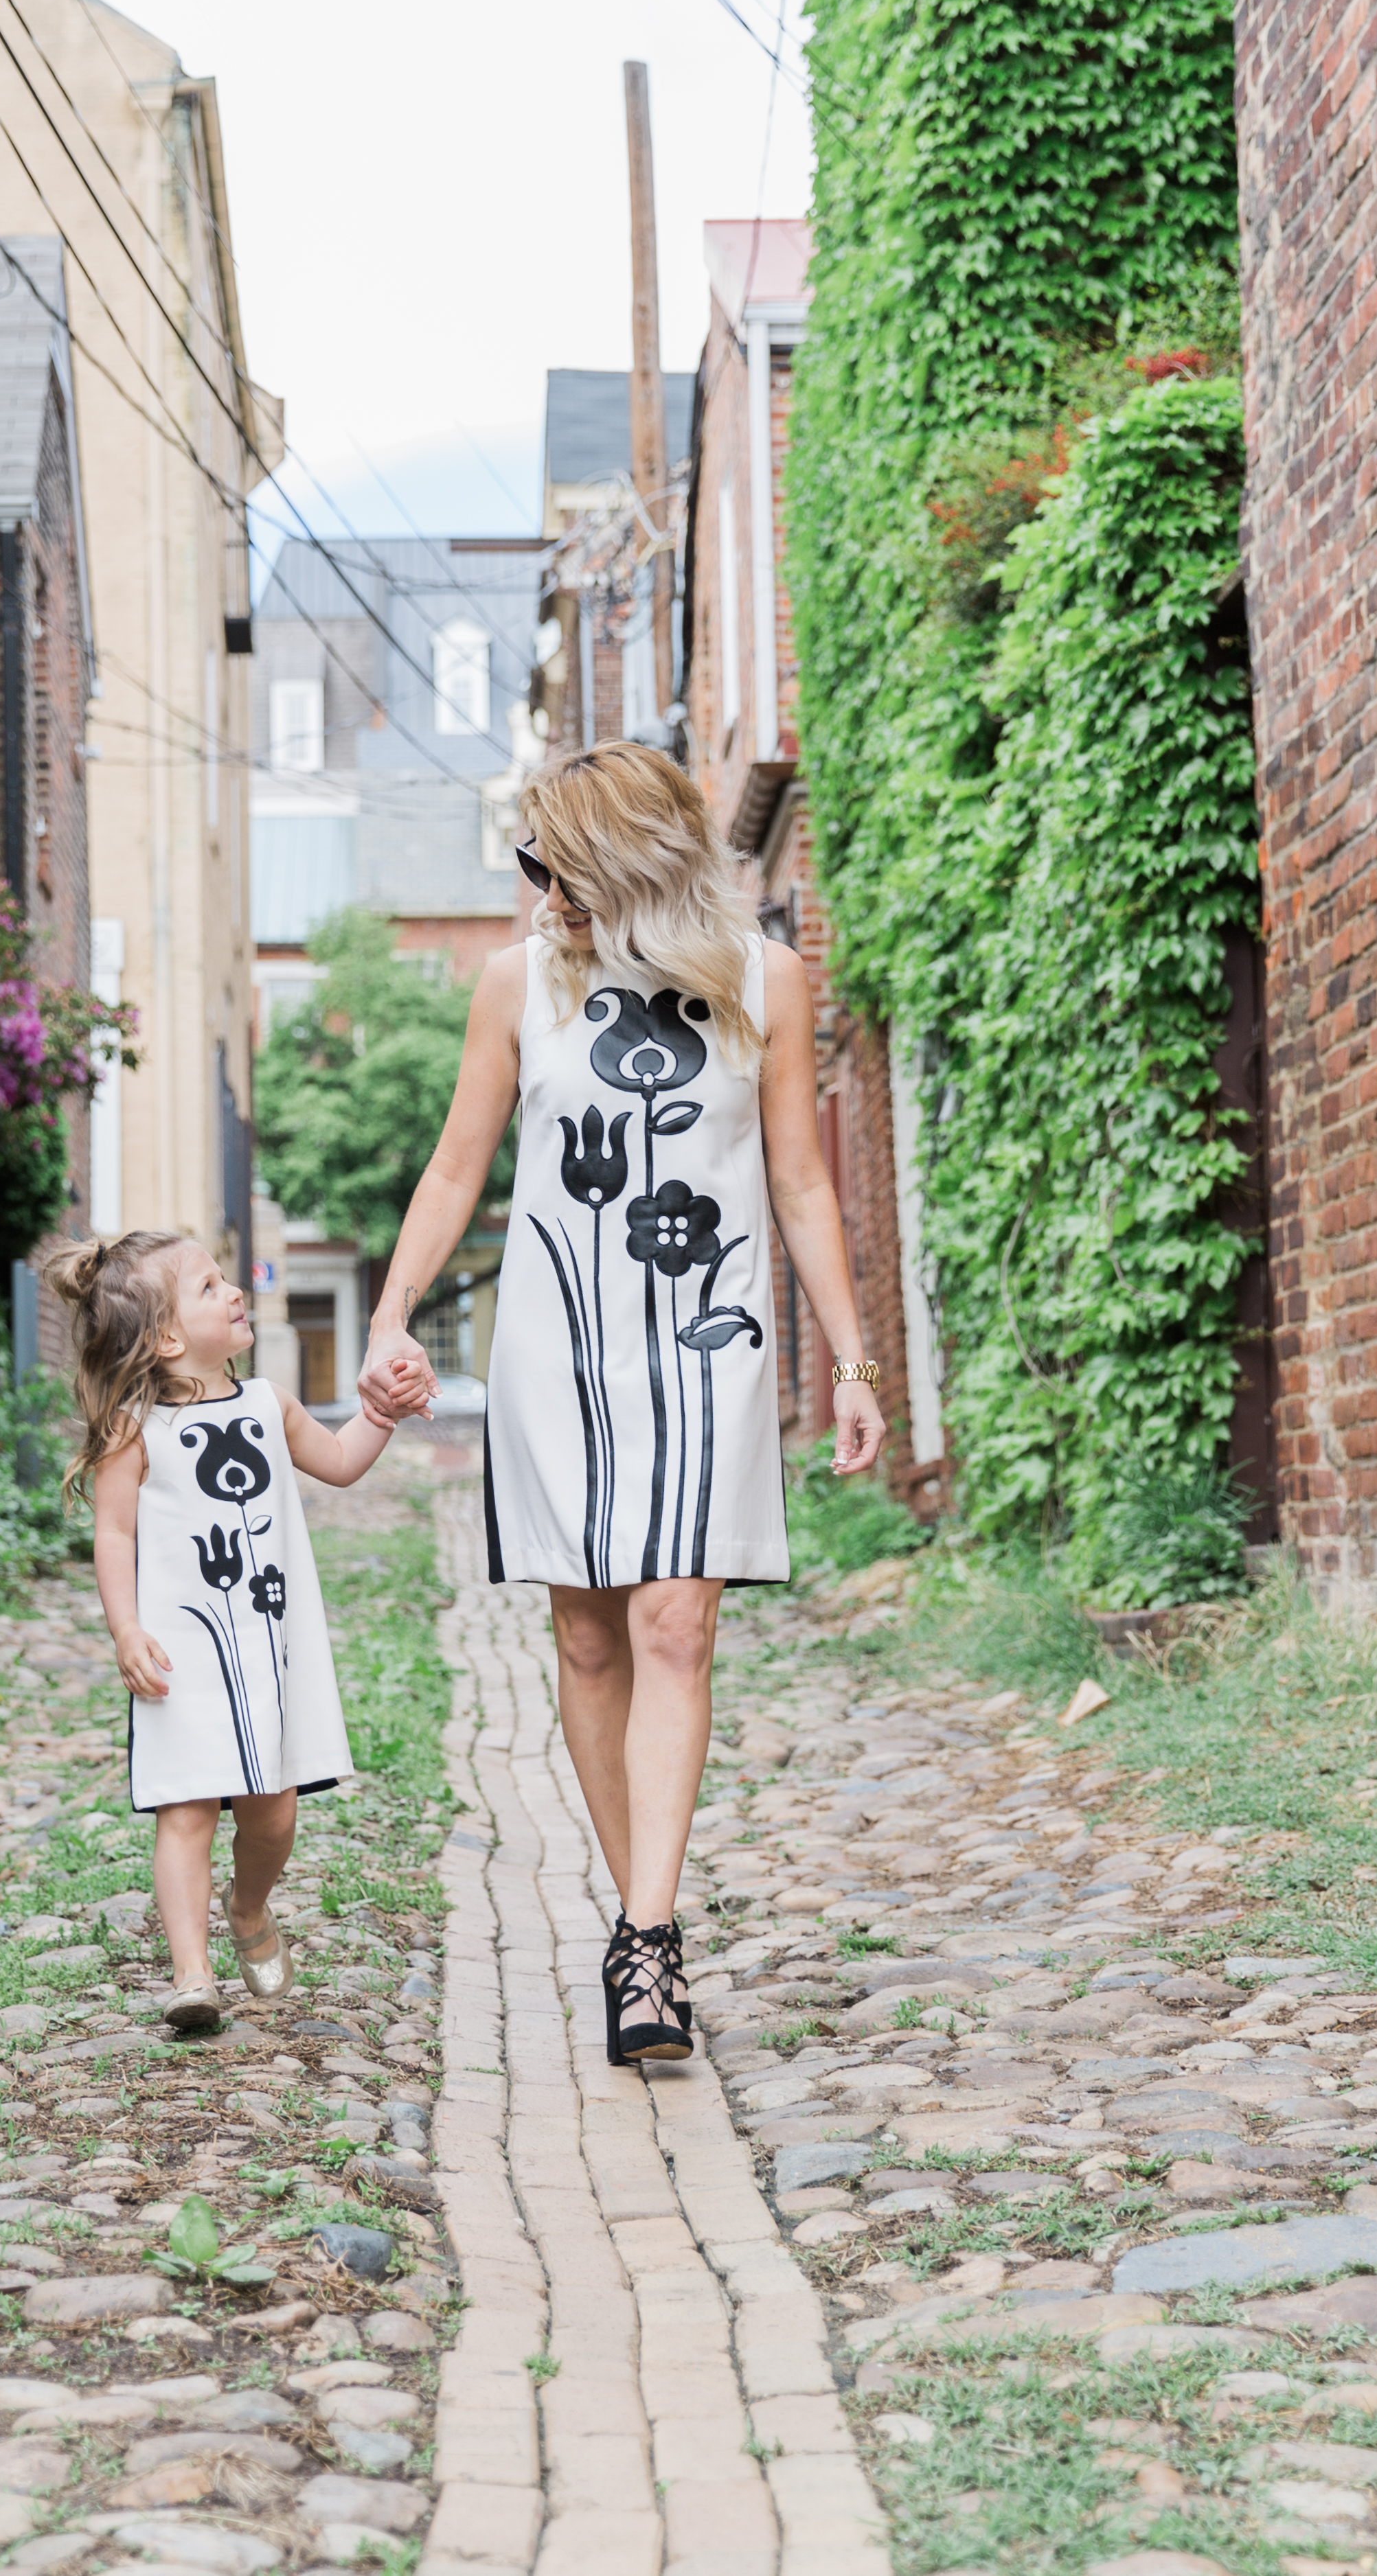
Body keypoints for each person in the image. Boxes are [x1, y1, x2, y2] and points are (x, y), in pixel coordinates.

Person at [359, 739, 885, 2065]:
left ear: (625, 861)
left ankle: (647, 1941)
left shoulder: (766, 979)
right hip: (560, 1342)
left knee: (676, 1623)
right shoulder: (515, 985)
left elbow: (805, 1184)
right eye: (530, 863)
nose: (537, 886)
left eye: (554, 861)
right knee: (589, 1639)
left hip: (709, 1335)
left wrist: (859, 1361)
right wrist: (390, 1314)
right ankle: (640, 1918)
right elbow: (456, 1164)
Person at [54, 1229, 400, 2037]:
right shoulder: (133, 1431)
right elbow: (115, 1536)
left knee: (271, 1815)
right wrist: (126, 1628)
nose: (234, 1291)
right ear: (169, 1337)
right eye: (211, 1287)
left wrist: (382, 1411)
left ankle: (248, 1905)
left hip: (266, 1647)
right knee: (186, 1811)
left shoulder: (269, 1404)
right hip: (181, 1653)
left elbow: (343, 1458)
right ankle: (192, 1975)